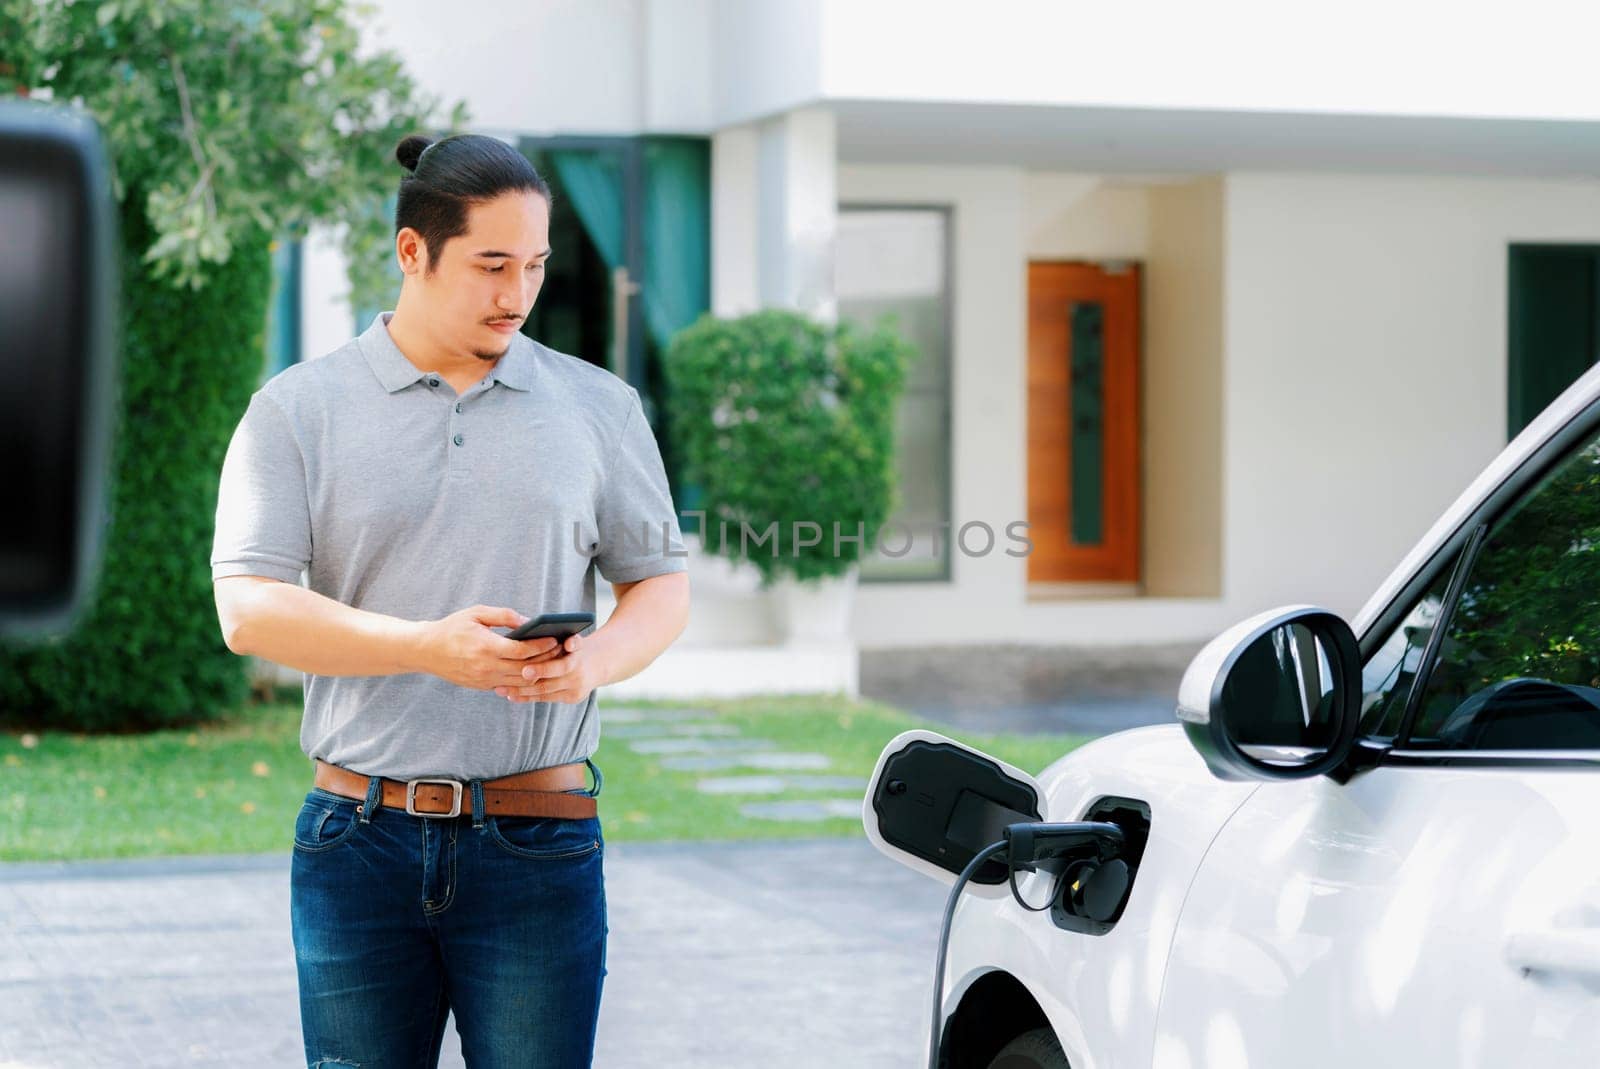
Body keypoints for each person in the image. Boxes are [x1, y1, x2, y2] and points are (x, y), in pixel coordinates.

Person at [210, 132, 690, 1069]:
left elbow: (660, 586)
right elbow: (250, 609)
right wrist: (428, 646)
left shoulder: (600, 407)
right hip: (355, 846)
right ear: (412, 251)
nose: (518, 293)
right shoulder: (296, 409)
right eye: (492, 264)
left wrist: (594, 659)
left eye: (538, 265)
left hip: (540, 843)